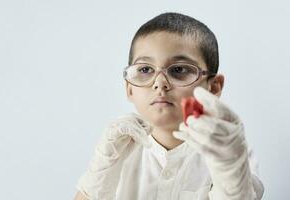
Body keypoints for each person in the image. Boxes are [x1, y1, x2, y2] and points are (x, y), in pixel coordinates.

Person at [73, 12, 264, 200]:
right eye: (145, 69)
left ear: (213, 87)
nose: (160, 83)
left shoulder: (232, 153)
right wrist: (98, 176)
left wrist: (230, 169)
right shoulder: (115, 150)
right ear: (129, 87)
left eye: (179, 69)